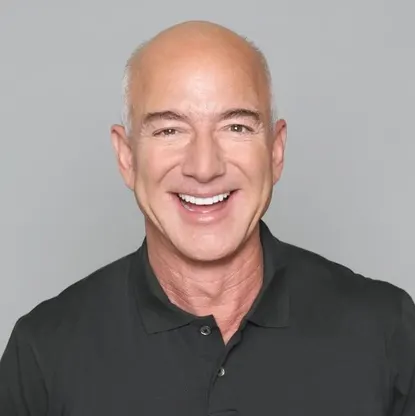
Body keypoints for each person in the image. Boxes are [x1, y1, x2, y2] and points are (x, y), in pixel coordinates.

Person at [0, 20, 414, 416]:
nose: (204, 167)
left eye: (236, 127)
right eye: (169, 130)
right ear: (127, 158)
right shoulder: (43, 352)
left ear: (275, 151)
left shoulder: (385, 330)